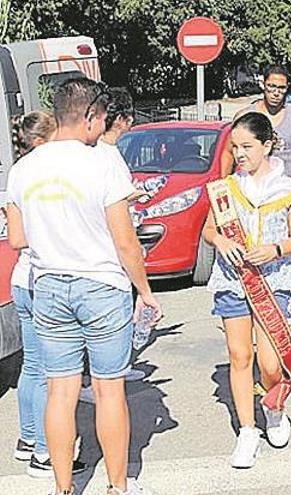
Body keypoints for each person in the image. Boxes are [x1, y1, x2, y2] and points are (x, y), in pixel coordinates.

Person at [6, 78, 161, 495]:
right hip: (102, 286)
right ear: (91, 115)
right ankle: (117, 486)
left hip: (49, 285)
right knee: (110, 391)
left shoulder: (24, 168)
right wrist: (145, 291)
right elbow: (126, 240)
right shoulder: (103, 161)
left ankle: (62, 488)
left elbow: (17, 237)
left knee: (60, 389)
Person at [203, 112, 291, 468]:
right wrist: (220, 241)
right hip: (233, 282)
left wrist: (275, 250)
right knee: (239, 356)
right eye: (235, 147)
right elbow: (208, 231)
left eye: (247, 146)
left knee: (269, 360)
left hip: (273, 280)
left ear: (267, 146)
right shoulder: (226, 188)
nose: (240, 153)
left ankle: (274, 406)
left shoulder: (289, 189)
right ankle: (248, 430)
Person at [9, 111, 88, 479]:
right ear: (43, 140)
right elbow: (21, 238)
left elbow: (14, 238)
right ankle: (45, 452)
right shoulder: (44, 172)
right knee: (48, 374)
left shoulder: (17, 172)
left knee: (31, 366)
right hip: (41, 279)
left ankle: (27, 441)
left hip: (20, 280)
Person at [231, 64, 291, 181]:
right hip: (251, 189)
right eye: (271, 86)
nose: (276, 93)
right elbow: (229, 154)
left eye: (281, 88)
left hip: (285, 190)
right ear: (263, 84)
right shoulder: (244, 116)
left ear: (287, 87)